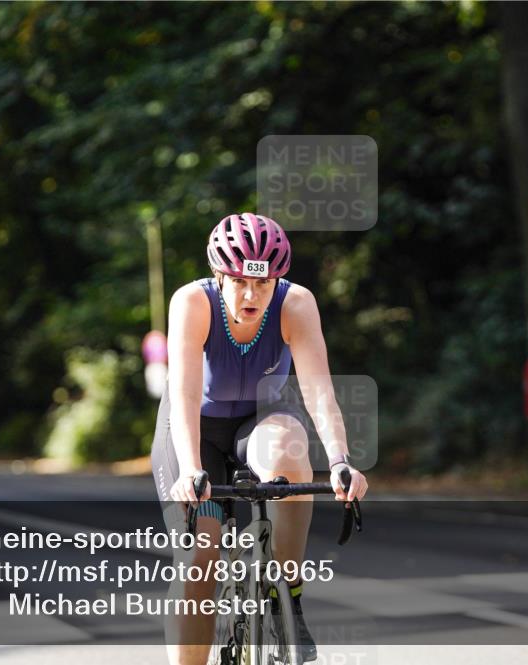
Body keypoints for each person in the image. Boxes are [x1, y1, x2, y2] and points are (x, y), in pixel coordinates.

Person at [151, 212, 369, 665]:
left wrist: (341, 460)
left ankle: (285, 592)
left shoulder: (297, 304)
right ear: (219, 275)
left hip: (260, 420)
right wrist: (191, 469)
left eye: (264, 284)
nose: (252, 295)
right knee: (199, 558)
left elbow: (318, 391)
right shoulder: (192, 303)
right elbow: (186, 393)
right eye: (240, 283)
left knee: (289, 451)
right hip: (195, 429)